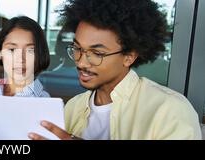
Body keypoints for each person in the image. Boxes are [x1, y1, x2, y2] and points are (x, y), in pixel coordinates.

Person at [28, 0, 202, 140]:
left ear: (129, 56)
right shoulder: (73, 107)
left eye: (97, 53)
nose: (81, 63)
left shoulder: (170, 111)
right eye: (78, 48)